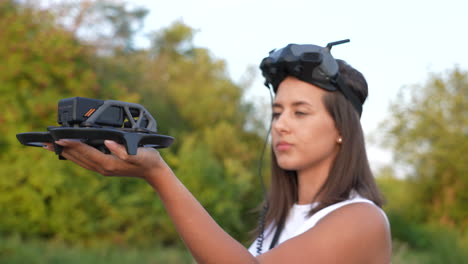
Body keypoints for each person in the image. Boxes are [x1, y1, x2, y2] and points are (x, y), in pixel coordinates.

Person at [44, 40, 392, 263]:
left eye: (300, 112)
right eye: (277, 112)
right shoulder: (281, 219)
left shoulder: (362, 219)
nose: (281, 125)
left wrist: (159, 175)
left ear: (342, 130)